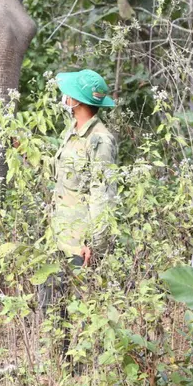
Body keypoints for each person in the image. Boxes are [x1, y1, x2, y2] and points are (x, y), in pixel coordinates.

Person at [41, 69, 118, 306]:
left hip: (81, 246)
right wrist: (25, 149)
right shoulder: (73, 132)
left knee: (80, 315)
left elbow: (103, 195)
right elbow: (58, 171)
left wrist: (94, 245)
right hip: (59, 238)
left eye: (68, 93)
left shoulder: (100, 140)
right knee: (52, 311)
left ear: (76, 101)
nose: (64, 96)